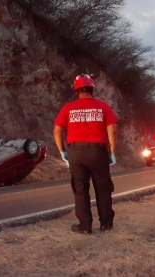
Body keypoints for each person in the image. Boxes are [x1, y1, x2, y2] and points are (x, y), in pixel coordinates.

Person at [53, 74, 118, 235]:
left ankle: (84, 226)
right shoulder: (103, 107)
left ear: (76, 91)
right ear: (92, 89)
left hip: (76, 152)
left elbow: (57, 131)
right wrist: (113, 152)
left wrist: (62, 152)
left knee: (80, 189)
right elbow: (113, 130)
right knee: (103, 188)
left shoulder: (68, 108)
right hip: (98, 151)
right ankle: (106, 224)